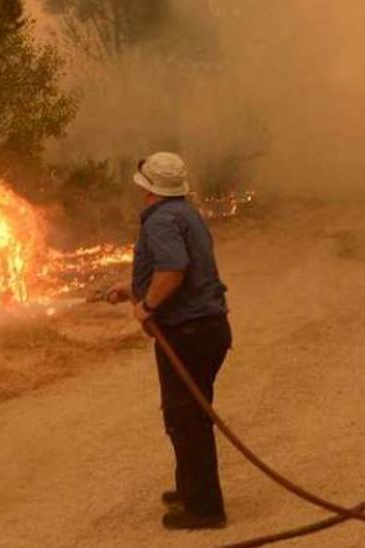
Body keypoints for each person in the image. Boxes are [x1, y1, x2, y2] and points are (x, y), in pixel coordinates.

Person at [105, 151, 232, 530]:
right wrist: (133, 288)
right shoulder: (187, 214)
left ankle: (205, 509)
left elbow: (174, 270)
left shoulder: (160, 221)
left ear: (147, 188)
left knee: (187, 419)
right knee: (186, 413)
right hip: (207, 328)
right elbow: (184, 269)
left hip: (188, 332)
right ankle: (190, 488)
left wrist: (147, 304)